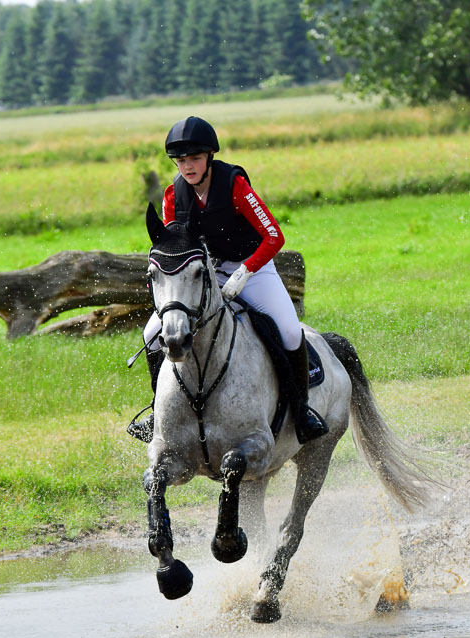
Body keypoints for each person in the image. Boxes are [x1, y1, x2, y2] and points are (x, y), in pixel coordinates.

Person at [128, 116, 328, 444]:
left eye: (194, 159)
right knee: (153, 334)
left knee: (290, 330)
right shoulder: (172, 195)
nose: (187, 167)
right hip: (204, 273)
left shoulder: (234, 185)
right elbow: (174, 246)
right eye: (181, 161)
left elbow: (274, 237)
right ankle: (157, 412)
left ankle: (301, 409)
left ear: (209, 157)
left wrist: (244, 272)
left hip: (253, 268)